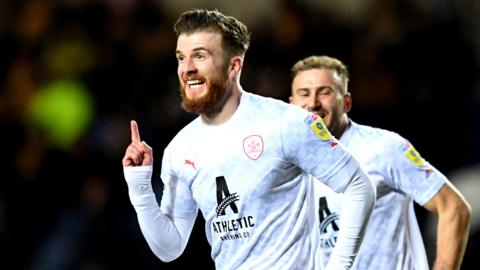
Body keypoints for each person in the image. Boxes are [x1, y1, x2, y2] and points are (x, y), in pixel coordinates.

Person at [122, 9, 376, 270]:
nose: (187, 69)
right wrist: (139, 186)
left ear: (234, 66)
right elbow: (170, 248)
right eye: (181, 58)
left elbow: (359, 186)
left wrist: (339, 266)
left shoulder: (285, 123)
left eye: (200, 56)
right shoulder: (180, 148)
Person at [289, 55, 472, 270]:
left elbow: (454, 208)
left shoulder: (383, 148)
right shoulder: (284, 162)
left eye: (325, 92)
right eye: (304, 93)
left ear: (346, 102)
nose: (313, 103)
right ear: (291, 105)